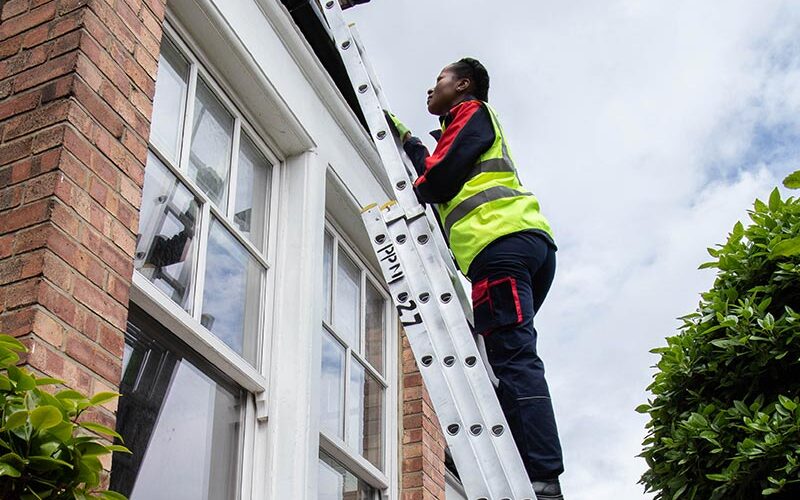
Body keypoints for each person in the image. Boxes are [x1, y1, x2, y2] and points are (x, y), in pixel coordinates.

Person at [386, 57, 565, 500]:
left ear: (464, 85)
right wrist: (407, 141)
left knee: (514, 359)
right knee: (504, 360)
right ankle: (526, 464)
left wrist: (422, 183)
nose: (430, 90)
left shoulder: (474, 113)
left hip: (499, 249)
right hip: (519, 248)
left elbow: (439, 179)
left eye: (439, 81)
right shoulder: (459, 130)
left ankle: (543, 481)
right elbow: (441, 165)